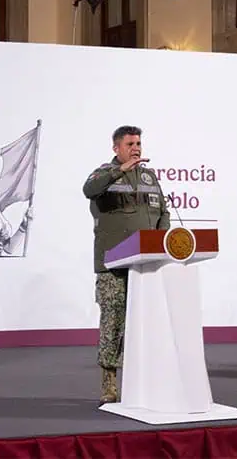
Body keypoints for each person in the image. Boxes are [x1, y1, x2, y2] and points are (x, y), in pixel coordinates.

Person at [82, 125, 170, 404]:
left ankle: (143, 379)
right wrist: (119, 170)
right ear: (116, 148)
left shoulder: (149, 176)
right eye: (130, 143)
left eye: (139, 143)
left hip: (146, 264)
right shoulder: (103, 174)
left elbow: (162, 212)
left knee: (143, 323)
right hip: (114, 265)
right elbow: (89, 189)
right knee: (114, 321)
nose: (136, 148)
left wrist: (162, 241)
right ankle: (109, 382)